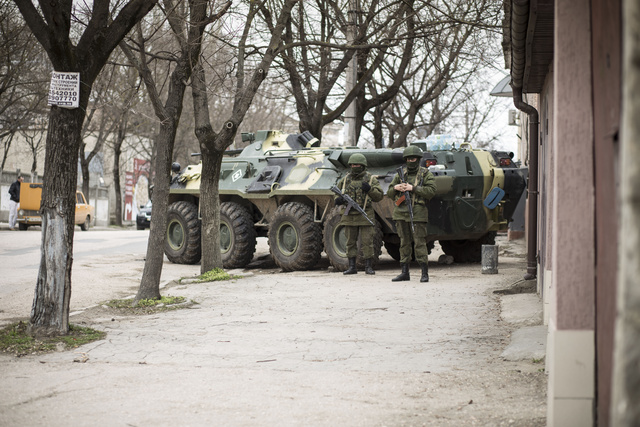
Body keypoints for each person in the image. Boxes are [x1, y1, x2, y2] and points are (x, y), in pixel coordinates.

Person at [387, 146, 437, 282]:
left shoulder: (425, 174)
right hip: (401, 213)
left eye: (413, 158)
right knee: (404, 243)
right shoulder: (400, 174)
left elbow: (431, 191)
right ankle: (405, 272)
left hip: (418, 213)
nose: (410, 161)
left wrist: (413, 188)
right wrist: (396, 187)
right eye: (408, 159)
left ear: (418, 159)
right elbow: (390, 193)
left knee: (420, 243)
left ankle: (424, 273)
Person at [334, 153, 383, 275]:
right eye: (352, 164)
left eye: (357, 164)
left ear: (363, 165)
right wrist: (338, 199)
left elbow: (379, 196)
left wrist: (370, 189)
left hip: (365, 213)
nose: (354, 166)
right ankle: (352, 266)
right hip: (349, 214)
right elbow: (336, 192)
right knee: (350, 241)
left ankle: (368, 266)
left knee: (367, 241)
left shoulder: (371, 179)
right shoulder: (345, 180)